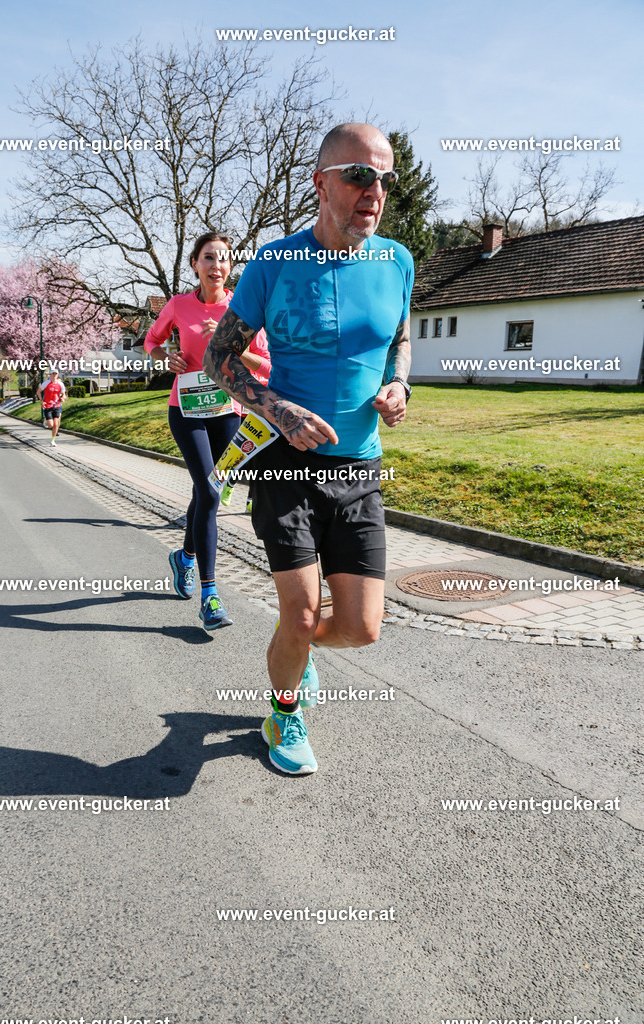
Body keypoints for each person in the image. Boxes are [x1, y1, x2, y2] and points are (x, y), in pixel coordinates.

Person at [204, 123, 414, 774]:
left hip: (359, 465)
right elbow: (219, 358)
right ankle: (283, 711)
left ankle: (297, 649)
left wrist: (400, 384)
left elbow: (400, 340)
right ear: (321, 183)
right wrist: (278, 408)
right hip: (284, 463)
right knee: (298, 616)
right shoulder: (275, 263)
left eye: (385, 179)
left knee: (360, 629)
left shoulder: (396, 262)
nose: (374, 191)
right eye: (358, 175)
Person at [143, 233, 269, 631]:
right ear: (195, 264)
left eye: (224, 258)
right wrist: (166, 357)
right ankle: (210, 596)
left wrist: (231, 347)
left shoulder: (242, 308)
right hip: (187, 410)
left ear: (231, 266)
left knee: (205, 494)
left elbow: (266, 365)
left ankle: (183, 557)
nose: (217, 265)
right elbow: (151, 340)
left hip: (228, 410)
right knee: (211, 492)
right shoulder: (178, 305)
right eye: (209, 257)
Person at [220, 333, 271, 511]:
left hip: (266, 399)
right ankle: (230, 482)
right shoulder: (251, 331)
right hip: (245, 401)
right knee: (246, 452)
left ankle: (251, 499)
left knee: (261, 456)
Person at [38, 370, 67, 446]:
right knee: (50, 425)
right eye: (52, 374)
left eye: (55, 374)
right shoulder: (46, 383)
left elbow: (63, 394)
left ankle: (52, 440)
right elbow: (38, 391)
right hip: (48, 406)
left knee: (56, 424)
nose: (54, 375)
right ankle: (46, 419)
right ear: (50, 374)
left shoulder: (60, 384)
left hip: (56, 406)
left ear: (57, 375)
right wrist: (42, 401)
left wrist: (62, 398)